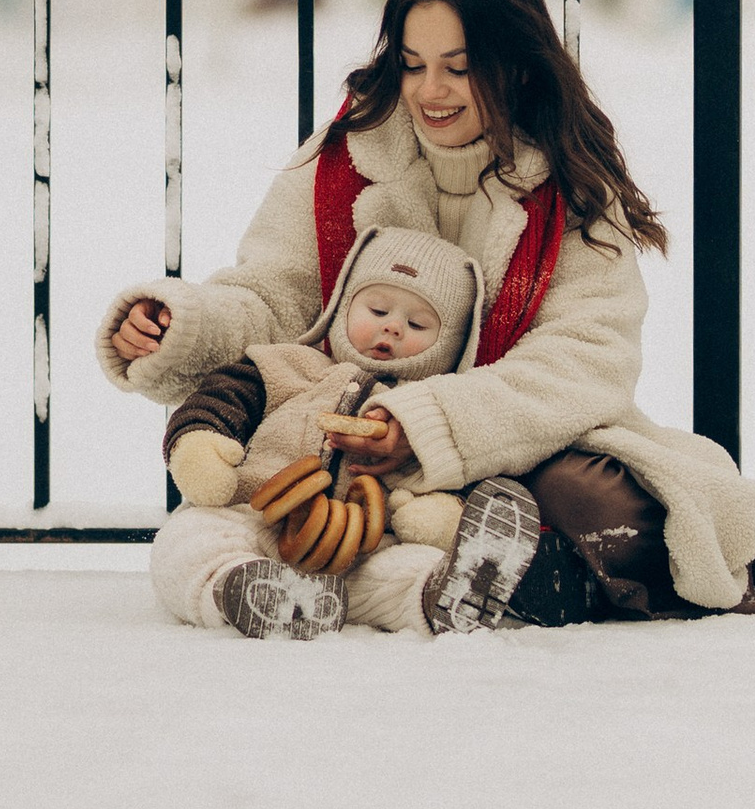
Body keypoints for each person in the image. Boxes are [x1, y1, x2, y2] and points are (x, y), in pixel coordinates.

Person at [97, 0, 755, 637]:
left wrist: (427, 426)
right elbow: (276, 300)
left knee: (586, 501)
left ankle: (751, 559)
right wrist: (181, 328)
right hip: (345, 462)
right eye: (413, 62)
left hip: (515, 454)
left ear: (516, 64)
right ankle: (530, 587)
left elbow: (582, 362)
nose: (432, 90)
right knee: (215, 527)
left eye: (460, 67)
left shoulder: (571, 193)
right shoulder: (340, 164)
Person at [152, 226, 524, 639]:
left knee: (402, 569)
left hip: (360, 550)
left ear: (452, 344)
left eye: (418, 323)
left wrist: (436, 515)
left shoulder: (428, 411)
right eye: (378, 311)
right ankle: (237, 586)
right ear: (343, 307)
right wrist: (202, 442)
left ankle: (439, 593)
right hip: (253, 519)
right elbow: (225, 398)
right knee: (188, 540)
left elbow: (448, 473)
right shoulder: (294, 365)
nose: (393, 328)